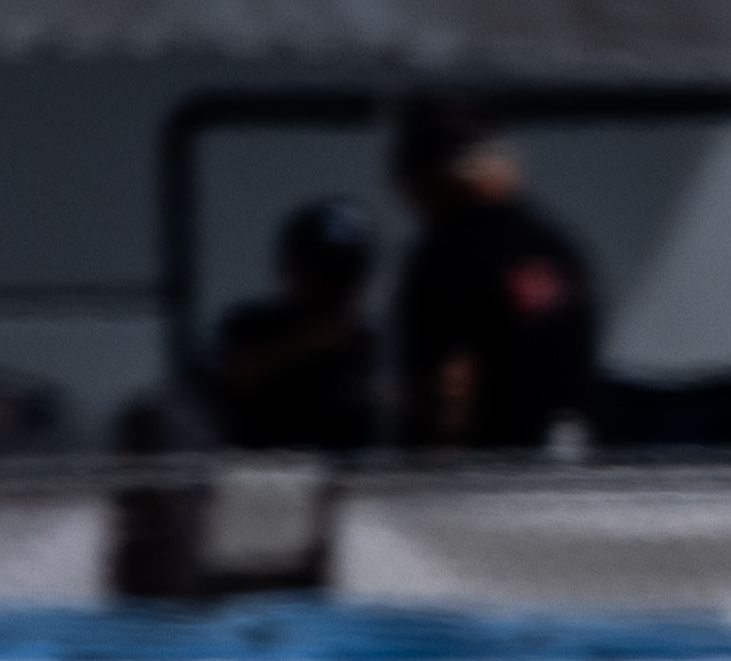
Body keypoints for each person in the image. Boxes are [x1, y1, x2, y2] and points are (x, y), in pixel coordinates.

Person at [388, 93, 603, 452]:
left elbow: (450, 389)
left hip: (487, 478)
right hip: (566, 468)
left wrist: (428, 477)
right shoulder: (556, 248)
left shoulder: (448, 252)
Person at [200, 192, 384, 451]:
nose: (329, 288)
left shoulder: (374, 341)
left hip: (359, 478)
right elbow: (217, 385)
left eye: (342, 275)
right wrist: (303, 343)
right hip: (257, 475)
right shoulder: (250, 323)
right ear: (288, 269)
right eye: (318, 273)